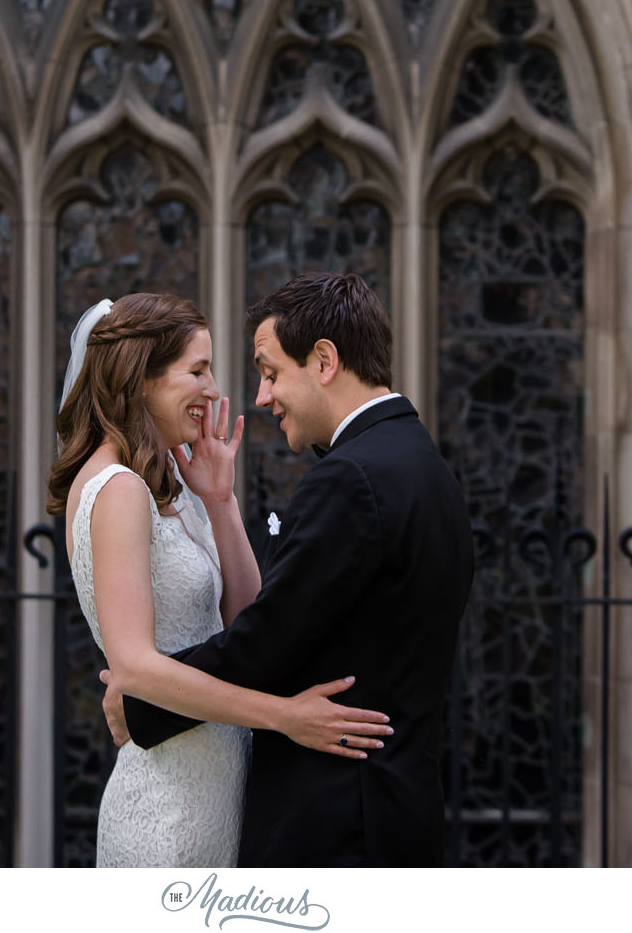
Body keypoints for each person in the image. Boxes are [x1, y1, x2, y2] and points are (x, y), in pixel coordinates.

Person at [102, 272, 475, 866]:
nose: (259, 397)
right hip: (400, 812)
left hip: (336, 823)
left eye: (271, 372)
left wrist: (142, 696)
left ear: (324, 361)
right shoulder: (427, 469)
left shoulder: (352, 480)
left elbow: (267, 643)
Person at [48, 291, 394, 867]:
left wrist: (220, 501)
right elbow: (133, 667)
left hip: (218, 791)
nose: (213, 390)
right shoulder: (118, 488)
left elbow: (247, 620)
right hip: (166, 809)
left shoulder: (172, 487)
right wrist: (285, 716)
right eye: (197, 370)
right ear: (141, 378)